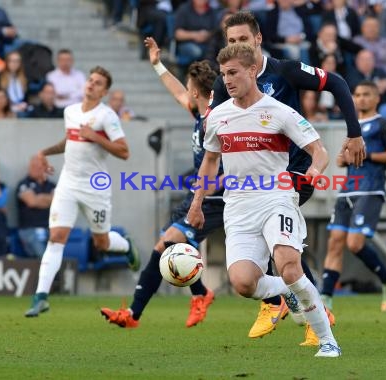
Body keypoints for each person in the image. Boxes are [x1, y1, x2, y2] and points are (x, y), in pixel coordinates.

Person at [210, 11, 364, 341]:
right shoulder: (227, 81)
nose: (238, 45)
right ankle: (295, 302)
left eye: (243, 39)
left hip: (293, 171)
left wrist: (354, 133)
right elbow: (218, 129)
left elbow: (335, 83)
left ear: (259, 39)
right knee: (274, 255)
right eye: (232, 41)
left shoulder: (286, 70)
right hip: (245, 182)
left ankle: (282, 304)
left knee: (281, 251)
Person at [187, 43, 340, 358]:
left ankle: (327, 340)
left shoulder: (279, 111)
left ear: (252, 71)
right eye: (224, 74)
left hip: (276, 198)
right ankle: (290, 291)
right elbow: (210, 162)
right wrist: (197, 201)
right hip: (238, 207)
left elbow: (319, 150)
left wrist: (314, 170)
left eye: (233, 73)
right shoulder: (218, 117)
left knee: (288, 264)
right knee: (243, 283)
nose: (227, 80)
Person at [100, 38, 219, 329]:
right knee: (163, 247)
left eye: (188, 89)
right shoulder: (200, 112)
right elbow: (177, 91)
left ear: (196, 90)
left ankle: (199, 295)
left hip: (216, 198)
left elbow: (224, 165)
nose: (184, 94)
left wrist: (203, 197)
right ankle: (138, 314)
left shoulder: (216, 119)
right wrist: (156, 64)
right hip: (200, 195)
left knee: (168, 244)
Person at [24, 66, 140, 318]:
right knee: (56, 238)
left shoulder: (106, 116)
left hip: (95, 187)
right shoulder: (70, 111)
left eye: (97, 83)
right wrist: (44, 152)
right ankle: (40, 297)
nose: (91, 84)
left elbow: (124, 151)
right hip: (67, 184)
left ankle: (127, 246)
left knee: (102, 243)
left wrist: (95, 137)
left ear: (104, 91)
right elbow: (70, 141)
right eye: (90, 80)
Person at [320, 80, 386, 319]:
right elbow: (339, 160)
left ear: (377, 98)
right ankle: (326, 297)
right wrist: (343, 158)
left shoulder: (384, 125)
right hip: (347, 190)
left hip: (371, 189)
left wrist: (368, 156)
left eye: (366, 94)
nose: (361, 99)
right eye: (357, 94)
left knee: (354, 243)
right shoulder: (352, 127)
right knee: (335, 241)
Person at [16, 155, 56, 258]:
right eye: (32, 166)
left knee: (56, 254)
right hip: (29, 229)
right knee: (43, 255)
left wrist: (39, 197)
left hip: (49, 229)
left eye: (38, 166)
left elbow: (57, 202)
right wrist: (48, 199)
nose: (35, 169)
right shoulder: (24, 184)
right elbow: (32, 202)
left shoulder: (52, 185)